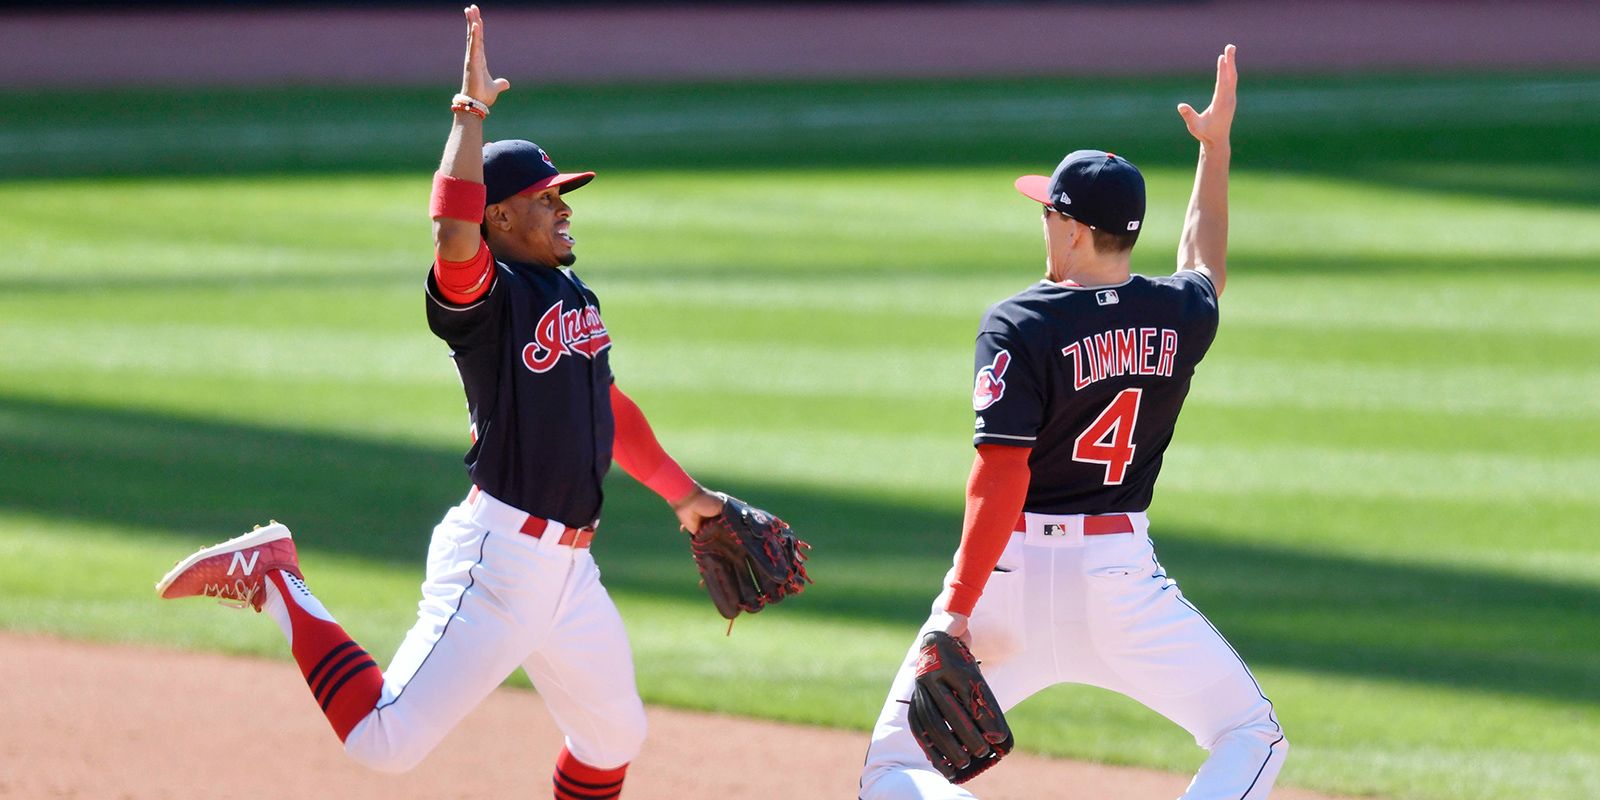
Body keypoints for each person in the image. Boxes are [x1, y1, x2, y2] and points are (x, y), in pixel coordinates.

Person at [155, 7, 727, 798]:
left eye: (563, 196)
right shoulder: (483, 301)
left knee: (614, 734)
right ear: (496, 216)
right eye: (543, 198)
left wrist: (685, 497)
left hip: (569, 572)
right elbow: (451, 234)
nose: (564, 208)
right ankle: (276, 577)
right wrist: (470, 113)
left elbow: (605, 406)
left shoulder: (572, 291)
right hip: (501, 562)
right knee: (384, 741)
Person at [860, 45, 1287, 799]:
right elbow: (1205, 262)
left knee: (895, 773)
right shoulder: (1178, 313)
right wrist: (1214, 153)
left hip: (1008, 583)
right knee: (1251, 737)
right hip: (1123, 586)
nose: (1043, 222)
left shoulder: (1018, 321)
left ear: (1076, 231)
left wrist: (956, 612)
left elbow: (999, 473)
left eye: (1049, 211)